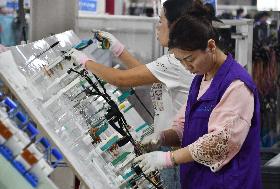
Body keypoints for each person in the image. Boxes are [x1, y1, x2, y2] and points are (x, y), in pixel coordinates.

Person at [134, 1, 262, 189]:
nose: (187, 67)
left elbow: (220, 142)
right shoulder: (199, 79)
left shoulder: (236, 84)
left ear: (210, 46)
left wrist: (169, 158)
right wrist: (160, 138)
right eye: (181, 61)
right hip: (198, 182)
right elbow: (185, 128)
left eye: (190, 59)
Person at [71, 0, 195, 188]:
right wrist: (117, 49)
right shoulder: (179, 60)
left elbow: (121, 79)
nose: (157, 26)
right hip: (169, 145)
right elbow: (145, 74)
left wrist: (85, 61)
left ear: (176, 26)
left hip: (173, 149)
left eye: (161, 21)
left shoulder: (175, 62)